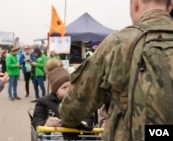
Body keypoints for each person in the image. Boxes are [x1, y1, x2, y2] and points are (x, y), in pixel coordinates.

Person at [58, 1, 173, 141]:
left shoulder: (119, 42)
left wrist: (70, 122)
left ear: (135, 4)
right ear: (170, 5)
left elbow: (77, 101)